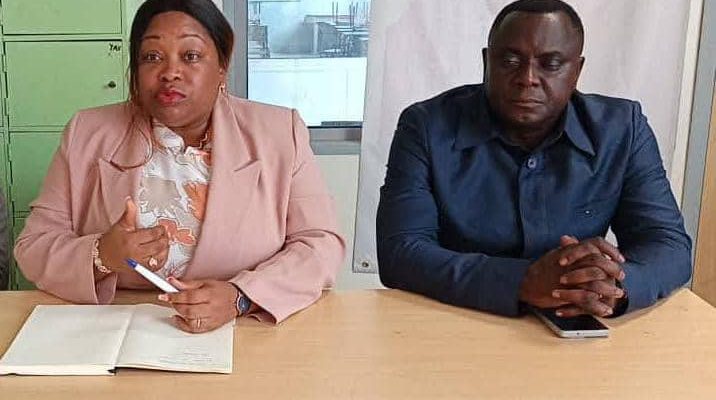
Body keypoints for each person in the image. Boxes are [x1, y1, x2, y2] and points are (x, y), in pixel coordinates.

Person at [14, 0, 344, 332]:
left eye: (191, 56)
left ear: (222, 66)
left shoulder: (279, 132)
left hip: (243, 328)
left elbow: (321, 244)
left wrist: (242, 296)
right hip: (117, 328)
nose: (170, 72)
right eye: (152, 57)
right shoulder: (87, 132)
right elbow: (34, 246)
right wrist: (101, 255)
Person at [376, 0, 691, 318]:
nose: (527, 78)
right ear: (487, 62)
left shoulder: (622, 130)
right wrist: (521, 282)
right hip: (458, 320)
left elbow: (669, 245)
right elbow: (400, 252)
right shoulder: (427, 127)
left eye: (550, 64)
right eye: (510, 61)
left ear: (576, 71)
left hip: (577, 325)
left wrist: (614, 286)